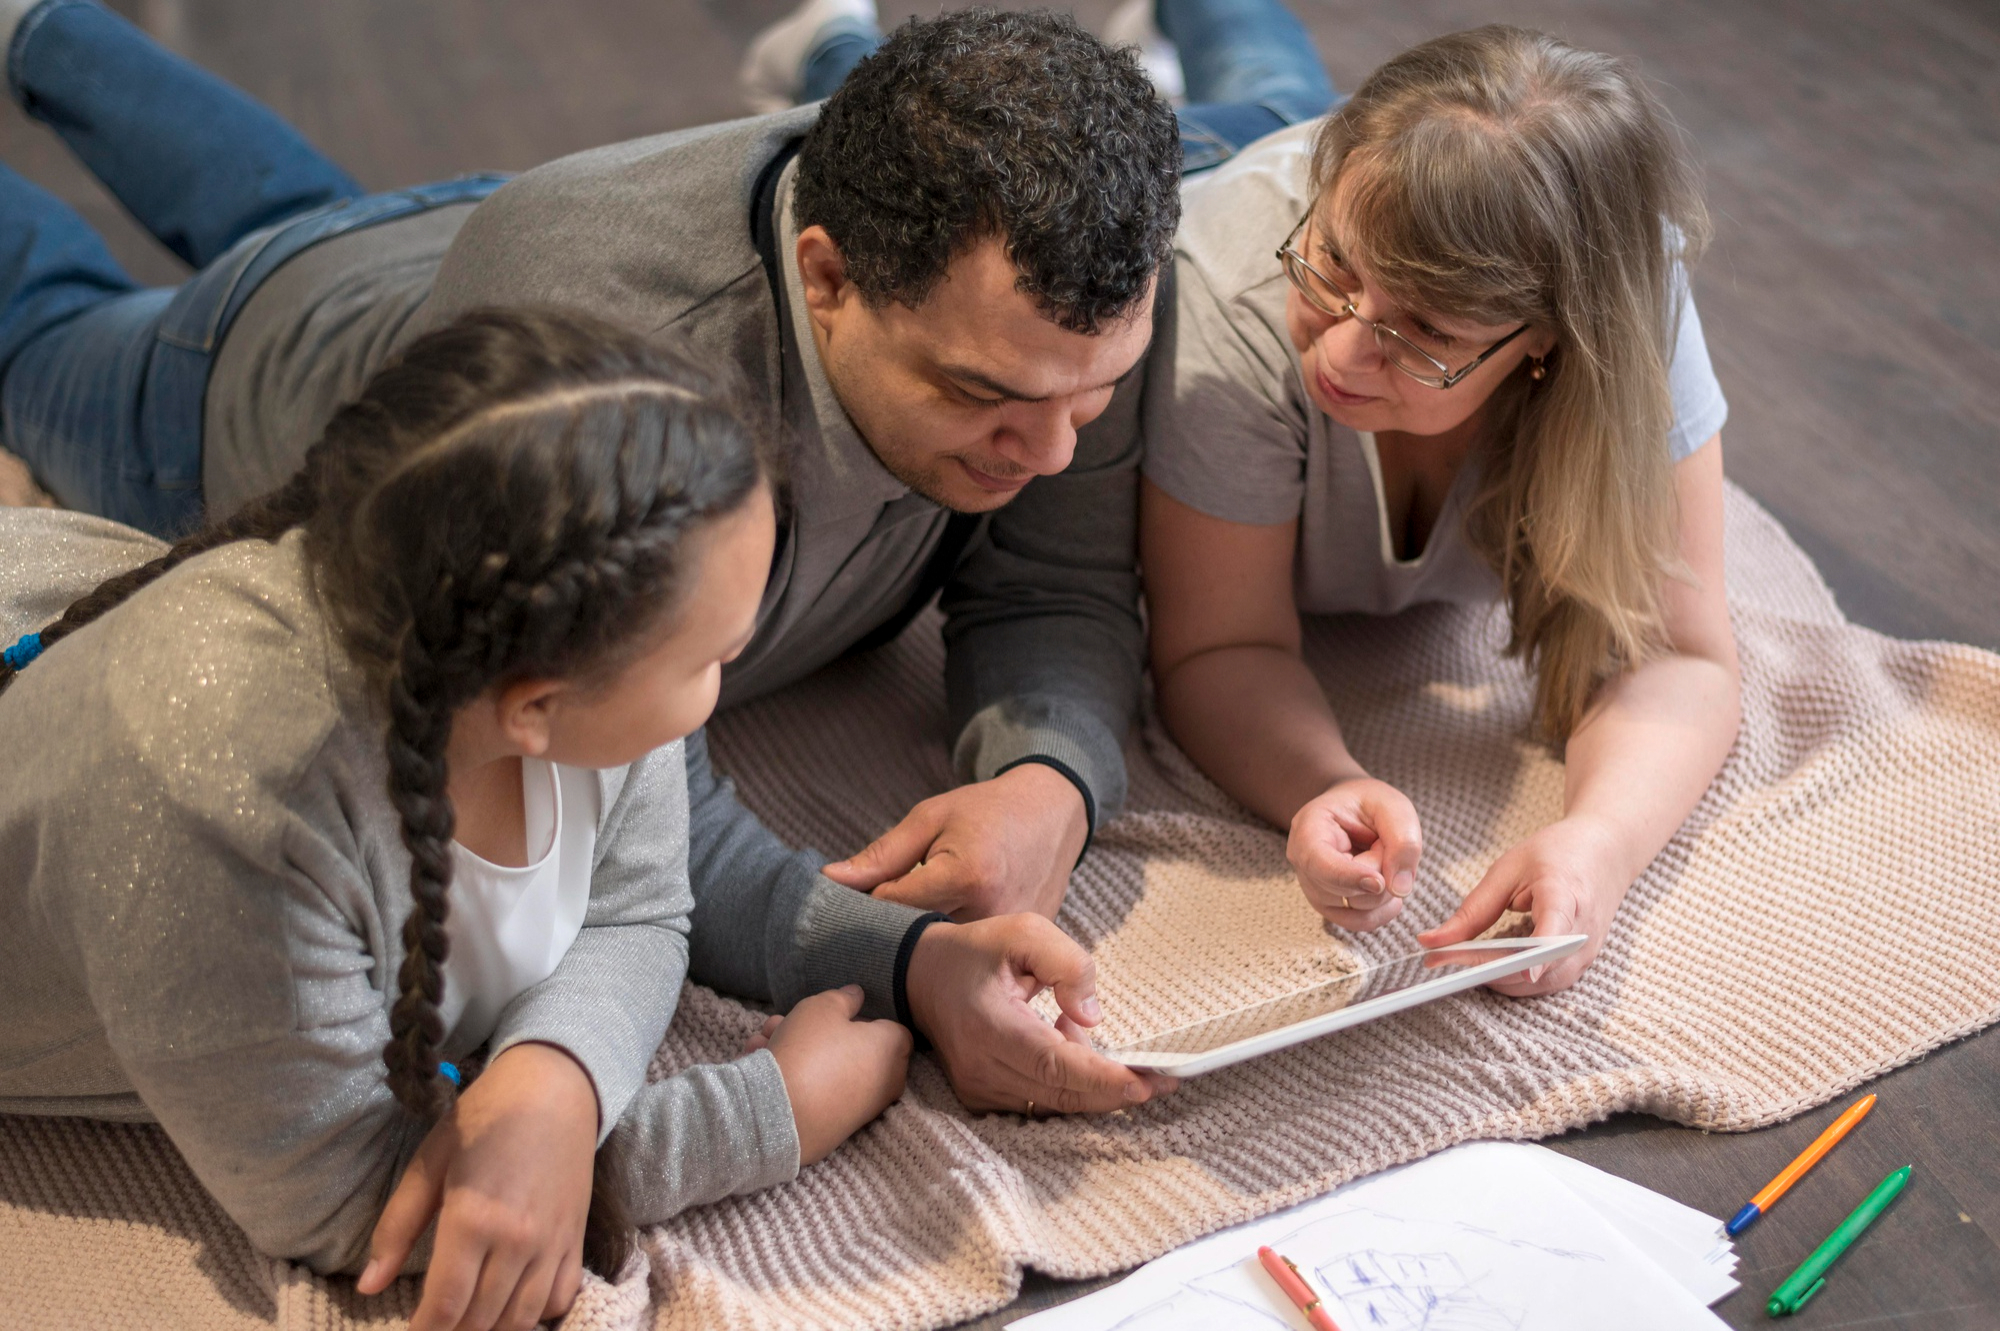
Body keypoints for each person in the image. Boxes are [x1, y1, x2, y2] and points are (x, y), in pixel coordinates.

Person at [0, 1, 1332, 1116]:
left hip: (458, 267)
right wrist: (906, 970)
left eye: (1093, 397)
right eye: (986, 395)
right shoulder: (636, 367)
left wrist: (1050, 774)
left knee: (296, 201)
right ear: (826, 274)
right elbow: (637, 812)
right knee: (47, 316)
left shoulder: (1069, 289)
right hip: (255, 367)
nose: (1052, 452)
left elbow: (1056, 584)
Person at [0, 307, 916, 1331]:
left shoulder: (583, 589)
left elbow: (639, 902)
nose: (732, 667)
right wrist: (762, 1114)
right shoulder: (227, 811)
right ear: (534, 704)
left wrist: (550, 1083)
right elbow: (357, 1198)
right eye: (708, 658)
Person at [1140, 26, 1741, 995]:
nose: (1337, 355)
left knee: (1270, 77)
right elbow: (1214, 647)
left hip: (1337, 178)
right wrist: (1323, 783)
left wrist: (1597, 846)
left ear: (1547, 336)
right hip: (1206, 172)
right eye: (1330, 268)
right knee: (1242, 89)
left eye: (1424, 331)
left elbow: (1680, 651)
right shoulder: (1227, 286)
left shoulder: (1632, 297)